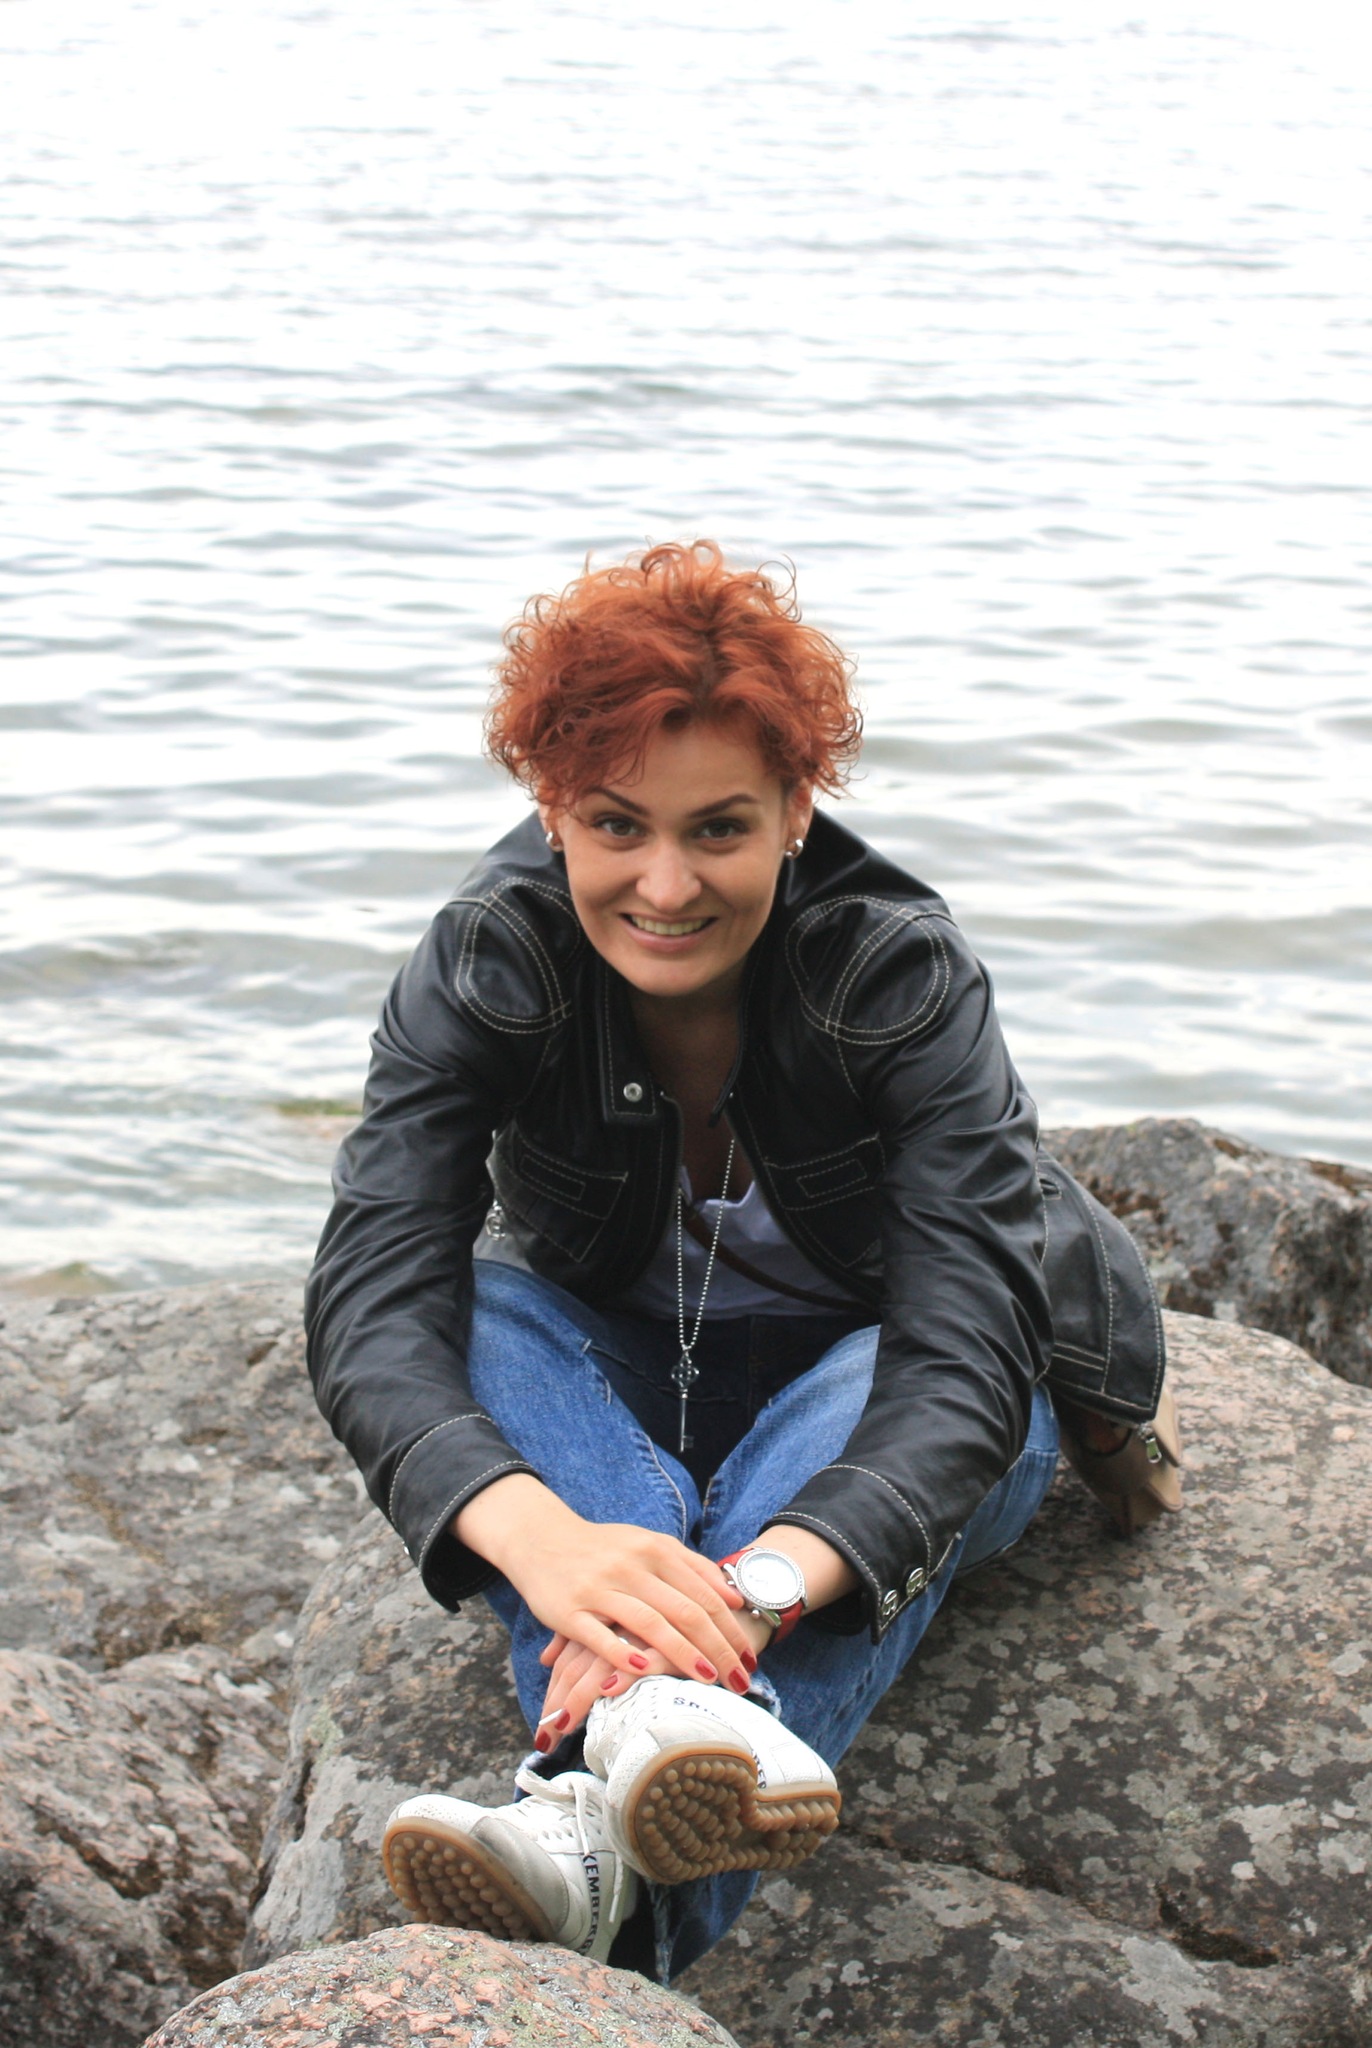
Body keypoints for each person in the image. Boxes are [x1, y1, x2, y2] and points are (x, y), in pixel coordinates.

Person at [305, 540, 1179, 1986]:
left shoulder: (895, 972)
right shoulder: (485, 959)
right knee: (484, 1307)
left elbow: (961, 1356)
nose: (665, 884)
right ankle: (652, 1758)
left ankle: (592, 1849)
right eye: (616, 825)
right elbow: (373, 1293)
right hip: (616, 1396)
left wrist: (750, 1595)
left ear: (796, 813)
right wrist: (548, 1542)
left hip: (879, 1406)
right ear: (551, 808)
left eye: (719, 829)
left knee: (888, 1368)